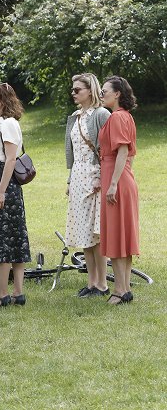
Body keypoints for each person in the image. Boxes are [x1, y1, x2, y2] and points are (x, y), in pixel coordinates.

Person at [0, 83, 31, 309]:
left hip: (6, 185)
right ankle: (16, 293)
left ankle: (3, 293)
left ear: (3, 100)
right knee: (9, 236)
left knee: (7, 239)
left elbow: (10, 159)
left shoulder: (9, 124)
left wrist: (0, 190)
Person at [65, 73, 110, 298]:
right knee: (84, 232)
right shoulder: (75, 117)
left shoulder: (101, 114)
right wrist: (69, 180)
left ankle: (102, 283)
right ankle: (91, 282)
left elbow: (107, 149)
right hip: (78, 177)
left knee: (97, 233)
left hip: (95, 177)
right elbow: (72, 153)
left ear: (89, 90)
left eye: (77, 90)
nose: (73, 93)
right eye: (72, 90)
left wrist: (101, 177)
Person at [99, 76, 140, 304]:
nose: (102, 94)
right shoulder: (125, 117)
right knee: (122, 235)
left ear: (117, 94)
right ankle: (123, 288)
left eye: (105, 91)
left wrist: (113, 183)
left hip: (116, 177)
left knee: (116, 234)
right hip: (120, 176)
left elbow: (123, 151)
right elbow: (129, 155)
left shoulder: (117, 117)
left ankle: (119, 290)